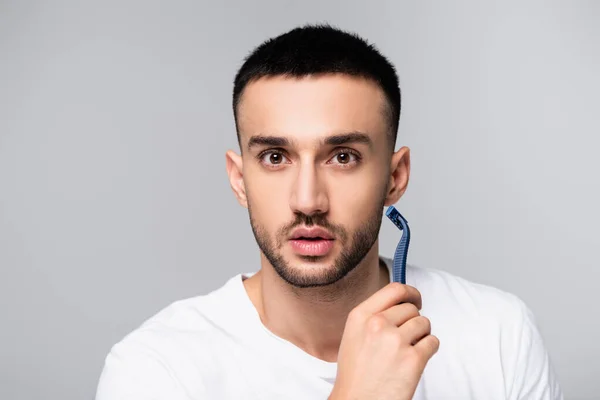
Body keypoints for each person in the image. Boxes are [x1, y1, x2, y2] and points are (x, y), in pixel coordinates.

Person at [96, 24, 563, 400]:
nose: (308, 201)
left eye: (343, 157)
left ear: (395, 177)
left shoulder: (498, 336)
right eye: (276, 157)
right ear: (240, 179)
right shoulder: (155, 369)